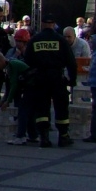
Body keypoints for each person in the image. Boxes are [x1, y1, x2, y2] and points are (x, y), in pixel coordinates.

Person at [24, 14, 78, 148]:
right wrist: (72, 80)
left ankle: (44, 137)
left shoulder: (34, 40)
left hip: (40, 78)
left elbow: (27, 61)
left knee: (41, 108)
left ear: (42, 24)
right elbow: (71, 62)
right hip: (57, 78)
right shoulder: (61, 40)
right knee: (61, 107)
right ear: (53, 24)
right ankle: (63, 136)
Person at [0, 51, 37, 145]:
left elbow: (13, 85)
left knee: (22, 111)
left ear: (0, 61)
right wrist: (3, 101)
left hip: (31, 86)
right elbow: (8, 87)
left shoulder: (11, 66)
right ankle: (33, 135)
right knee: (29, 112)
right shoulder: (8, 67)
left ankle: (21, 136)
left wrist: (7, 101)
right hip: (29, 87)